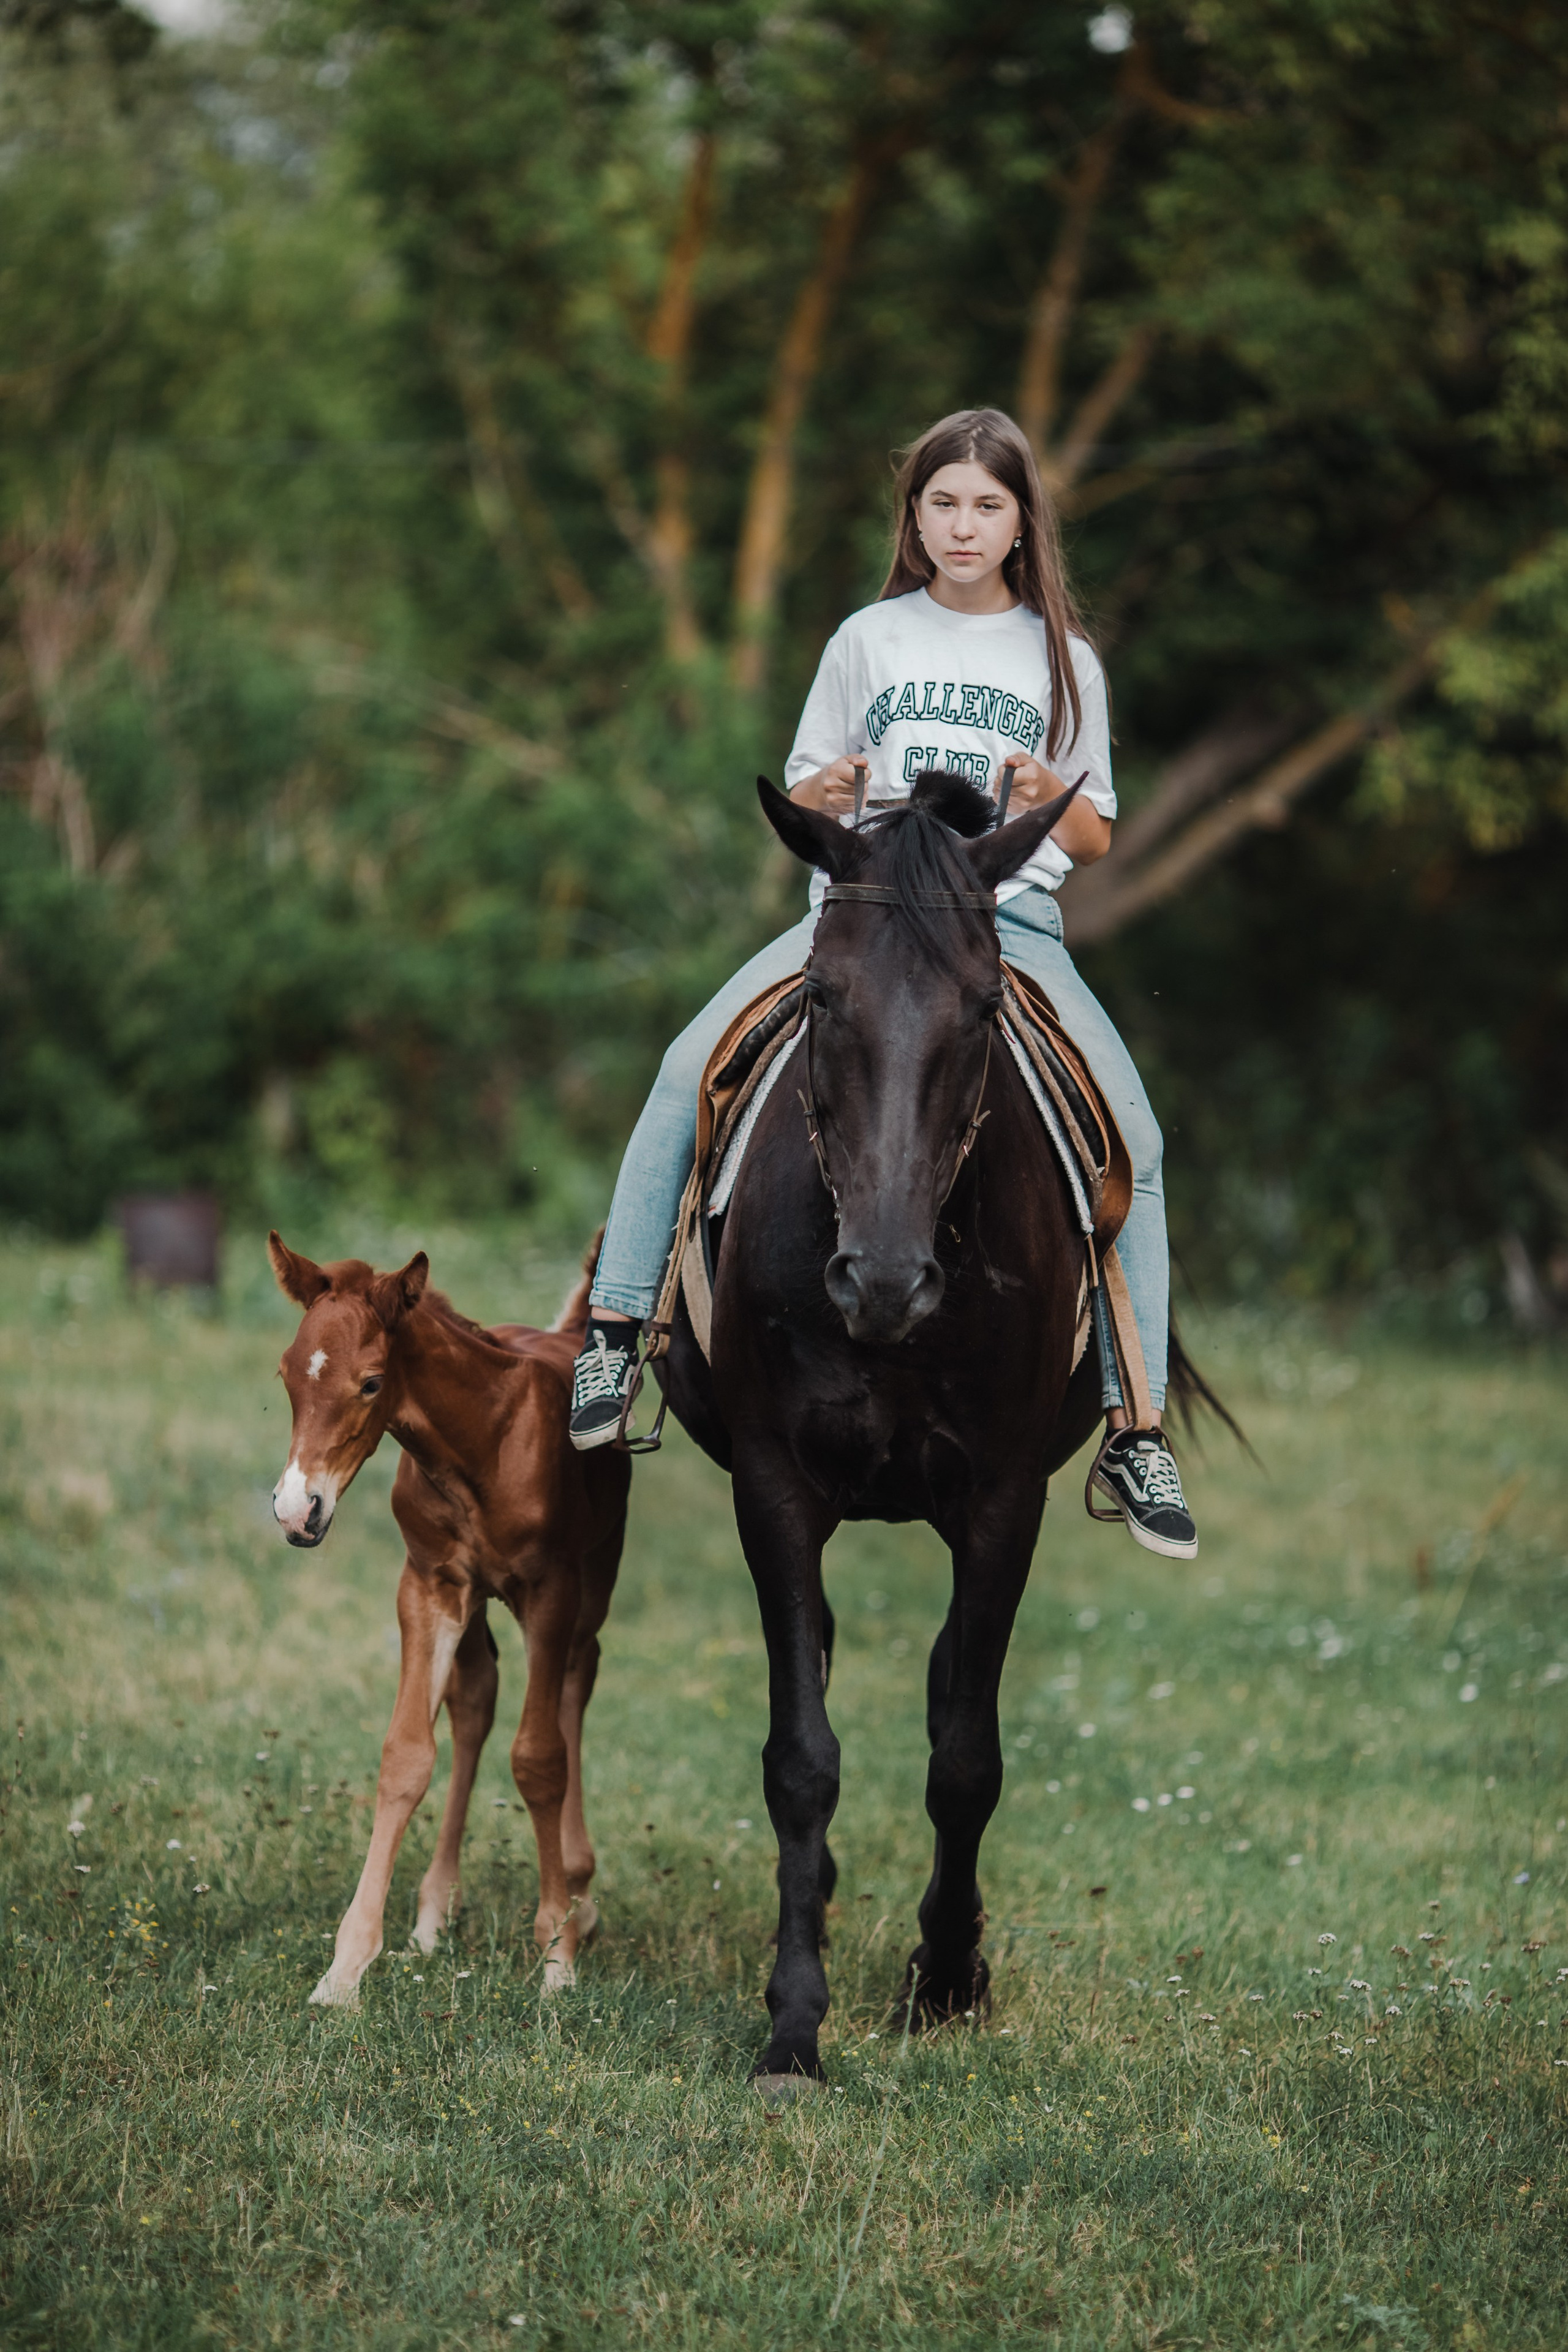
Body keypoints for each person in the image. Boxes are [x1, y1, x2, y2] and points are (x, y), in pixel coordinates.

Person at [568, 405, 1197, 1561]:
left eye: (988, 506)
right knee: (679, 1070)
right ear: (916, 517)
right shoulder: (868, 638)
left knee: (1139, 1142)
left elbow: (1097, 833)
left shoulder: (1066, 660)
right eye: (943, 503)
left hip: (1007, 925)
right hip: (856, 922)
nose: (964, 525)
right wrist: (837, 784)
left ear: (1022, 525)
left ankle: (1136, 1421)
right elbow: (805, 801)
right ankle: (618, 1328)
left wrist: (1043, 789)